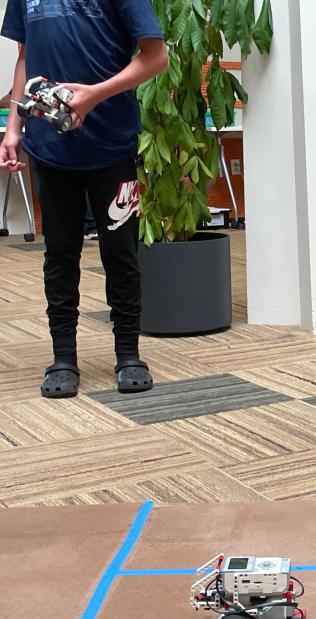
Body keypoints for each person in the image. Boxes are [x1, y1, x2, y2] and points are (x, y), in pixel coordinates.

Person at [0, 1, 168, 398]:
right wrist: (14, 127)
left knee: (120, 254)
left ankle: (128, 353)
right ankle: (63, 358)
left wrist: (94, 95)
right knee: (59, 254)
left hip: (112, 143)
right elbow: (26, 57)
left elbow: (156, 58)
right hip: (49, 145)